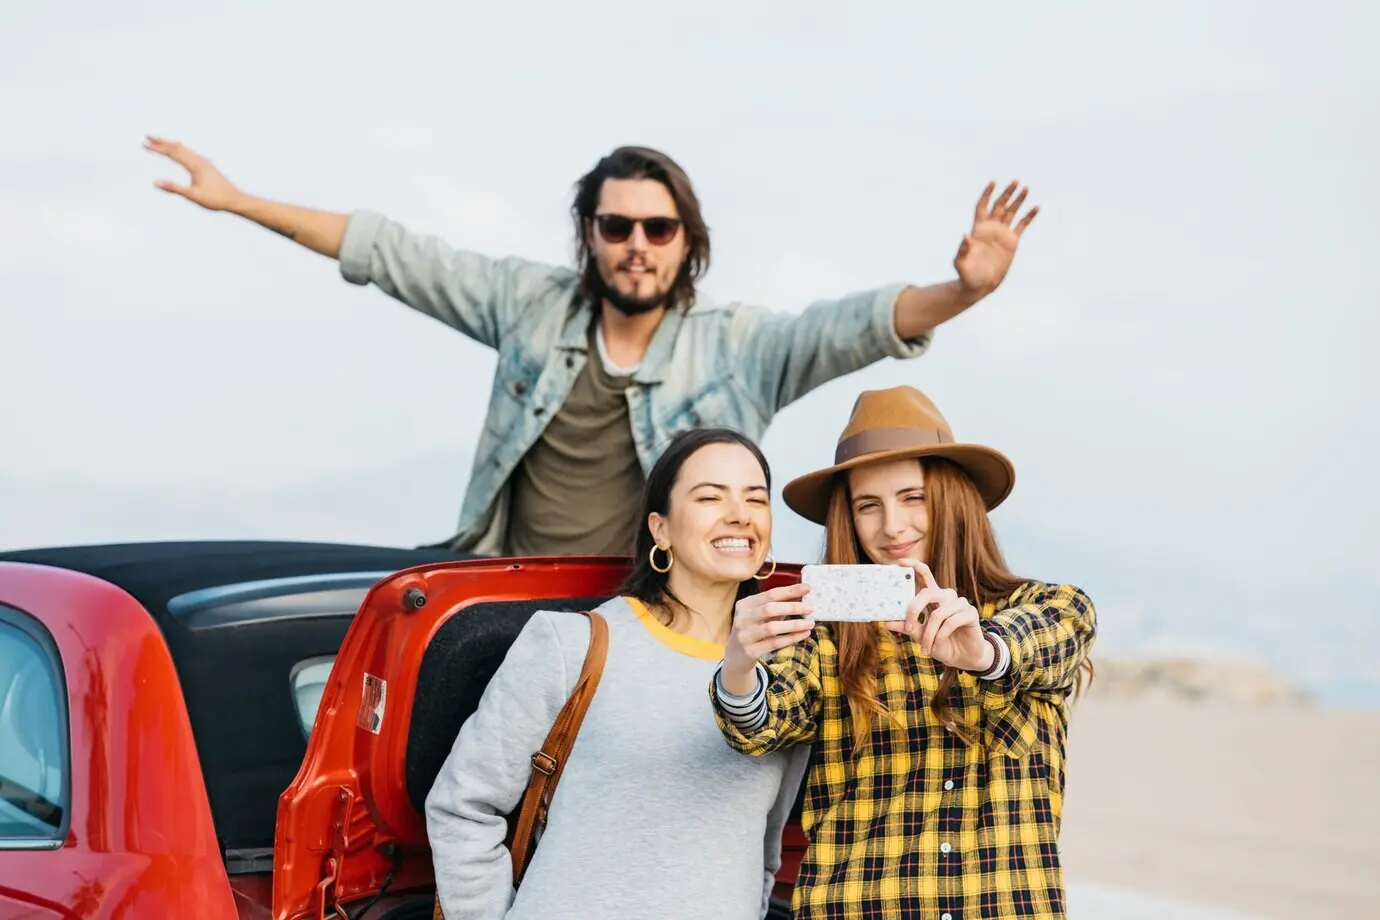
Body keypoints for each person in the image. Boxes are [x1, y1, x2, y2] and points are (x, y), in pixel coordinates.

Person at [143, 136, 1040, 557]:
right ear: (590, 232)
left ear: (688, 241)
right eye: (618, 224)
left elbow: (861, 324)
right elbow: (395, 255)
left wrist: (964, 289)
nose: (638, 244)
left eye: (659, 227)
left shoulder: (741, 346)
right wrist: (241, 200)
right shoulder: (529, 306)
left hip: (661, 607)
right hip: (511, 592)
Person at [709, 385, 1097, 920]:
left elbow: (1048, 639)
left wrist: (984, 653)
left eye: (913, 498)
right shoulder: (826, 635)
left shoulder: (1049, 606)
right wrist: (738, 664)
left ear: (954, 498)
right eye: (869, 506)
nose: (892, 527)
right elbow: (758, 726)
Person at [425, 426, 811, 920]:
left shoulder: (786, 674)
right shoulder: (572, 644)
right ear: (661, 528)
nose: (739, 514)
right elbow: (463, 807)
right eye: (710, 497)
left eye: (755, 499)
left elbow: (765, 850)